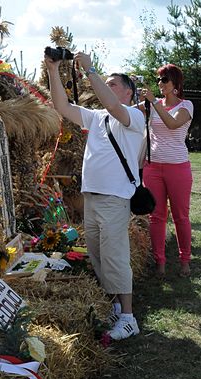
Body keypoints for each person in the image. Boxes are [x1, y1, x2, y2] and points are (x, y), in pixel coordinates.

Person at [45, 52, 144, 340]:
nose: (106, 86)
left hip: (114, 198)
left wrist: (90, 70)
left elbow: (112, 105)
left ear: (128, 92)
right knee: (99, 257)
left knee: (116, 257)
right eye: (106, 82)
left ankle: (128, 318)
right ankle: (115, 308)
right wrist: (53, 69)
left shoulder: (134, 116)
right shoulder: (96, 117)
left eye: (113, 84)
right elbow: (61, 106)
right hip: (92, 197)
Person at [138, 64, 194, 278]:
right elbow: (126, 112)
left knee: (181, 216)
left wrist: (153, 102)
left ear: (175, 83)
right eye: (159, 80)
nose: (160, 83)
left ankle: (185, 260)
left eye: (164, 79)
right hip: (152, 167)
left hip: (178, 167)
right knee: (156, 216)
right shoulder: (153, 103)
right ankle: (159, 262)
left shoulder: (186, 105)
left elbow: (172, 123)